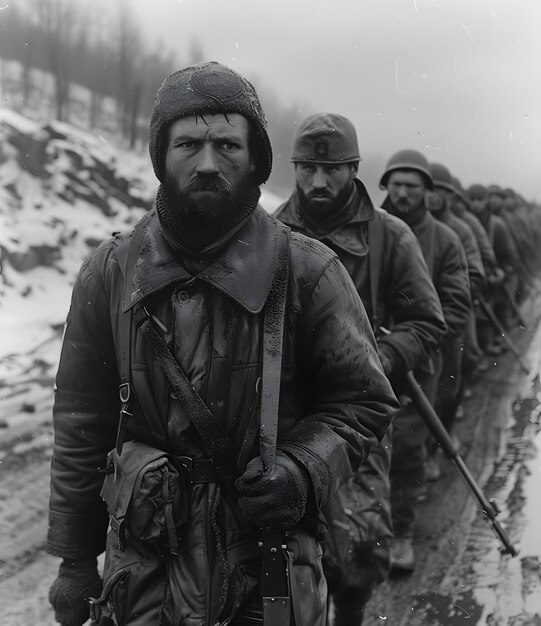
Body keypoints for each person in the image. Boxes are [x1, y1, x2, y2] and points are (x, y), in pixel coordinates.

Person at [46, 63, 399, 626]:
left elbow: (364, 403)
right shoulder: (110, 272)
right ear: (161, 155)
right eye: (187, 143)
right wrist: (73, 560)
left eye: (228, 144)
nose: (208, 163)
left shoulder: (308, 270)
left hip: (265, 569)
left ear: (256, 159)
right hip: (142, 574)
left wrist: (304, 470)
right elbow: (80, 424)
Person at [275, 114, 446, 624]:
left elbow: (425, 319)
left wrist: (381, 360)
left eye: (332, 169)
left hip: (357, 419)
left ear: (354, 169)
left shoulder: (390, 237)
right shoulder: (270, 234)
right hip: (284, 415)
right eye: (307, 168)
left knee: (360, 547)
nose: (318, 182)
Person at [380, 149, 471, 571]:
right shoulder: (369, 230)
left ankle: (401, 531)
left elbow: (455, 305)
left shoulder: (446, 240)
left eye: (411, 187)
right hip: (363, 356)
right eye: (396, 184)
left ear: (426, 192)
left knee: (408, 448)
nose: (402, 193)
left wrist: (418, 339)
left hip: (418, 362)